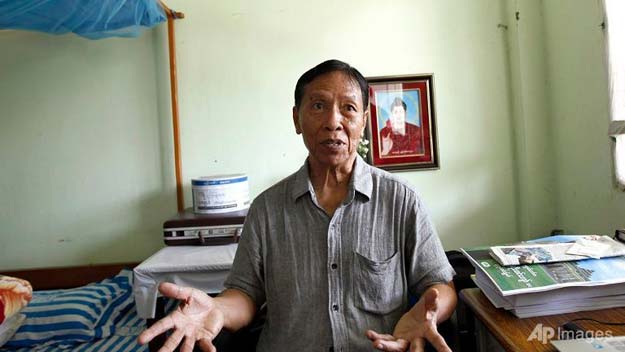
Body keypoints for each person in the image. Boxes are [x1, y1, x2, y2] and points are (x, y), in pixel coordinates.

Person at [138, 59, 457, 352]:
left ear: (363, 121)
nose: (334, 121)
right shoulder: (266, 209)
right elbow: (245, 295)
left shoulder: (401, 200)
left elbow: (441, 286)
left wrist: (426, 313)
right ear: (297, 119)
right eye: (318, 105)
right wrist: (217, 308)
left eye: (348, 108)